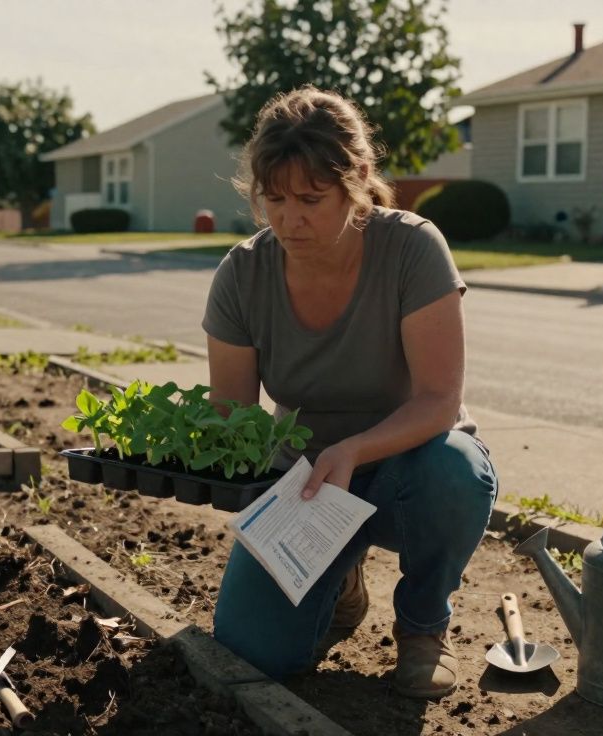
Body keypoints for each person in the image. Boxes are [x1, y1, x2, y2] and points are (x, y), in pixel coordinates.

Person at [204, 87, 497, 698]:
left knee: (457, 470)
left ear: (359, 178)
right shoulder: (243, 272)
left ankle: (423, 630)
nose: (289, 219)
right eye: (275, 199)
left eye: (311, 199)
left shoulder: (412, 248)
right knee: (252, 651)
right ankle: (340, 581)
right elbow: (232, 414)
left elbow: (439, 400)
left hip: (408, 472)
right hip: (306, 485)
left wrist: (354, 451)